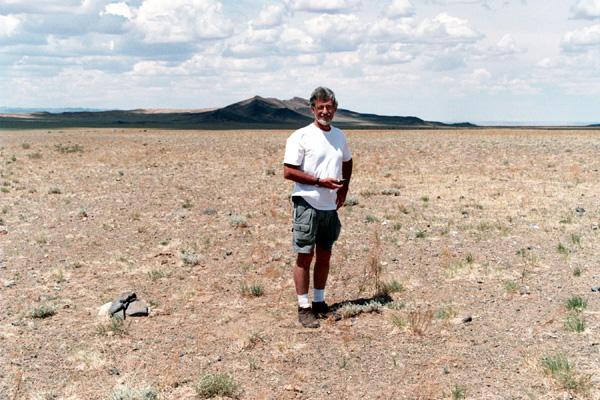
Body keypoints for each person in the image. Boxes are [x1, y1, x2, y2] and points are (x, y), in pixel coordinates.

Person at [283, 86, 353, 328]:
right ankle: (303, 306)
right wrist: (318, 181)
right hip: (307, 202)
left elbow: (347, 161)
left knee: (325, 253)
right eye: (320, 106)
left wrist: (343, 189)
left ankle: (320, 302)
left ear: (335, 109)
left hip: (329, 206)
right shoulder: (300, 136)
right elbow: (288, 171)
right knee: (305, 254)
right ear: (312, 109)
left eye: (329, 107)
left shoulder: (339, 136)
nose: (325, 111)